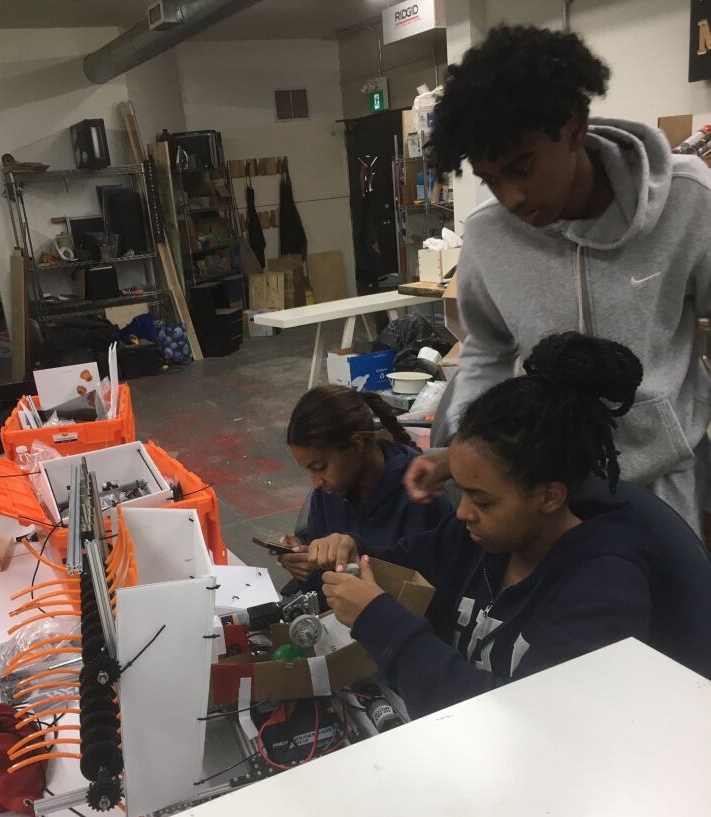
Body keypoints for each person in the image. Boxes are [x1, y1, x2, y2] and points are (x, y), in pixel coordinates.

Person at [307, 333, 711, 718]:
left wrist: (383, 625)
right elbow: (402, 560)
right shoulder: (476, 537)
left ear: (549, 496)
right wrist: (351, 547)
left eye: (481, 499)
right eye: (462, 492)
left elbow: (523, 724)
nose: (463, 511)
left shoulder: (605, 592)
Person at [409, 24, 711, 538]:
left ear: (573, 130)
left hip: (667, 484)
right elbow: (487, 350)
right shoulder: (489, 236)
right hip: (548, 490)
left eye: (522, 169)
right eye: (491, 180)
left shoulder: (688, 202)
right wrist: (464, 445)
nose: (510, 198)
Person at [278, 385, 452, 585]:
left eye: (320, 467)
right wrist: (307, 561)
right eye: (309, 470)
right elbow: (327, 581)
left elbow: (429, 592)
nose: (315, 483)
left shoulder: (420, 493)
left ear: (356, 445)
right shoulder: (329, 492)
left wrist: (356, 555)